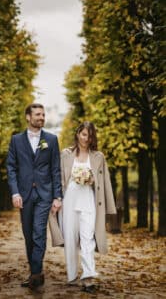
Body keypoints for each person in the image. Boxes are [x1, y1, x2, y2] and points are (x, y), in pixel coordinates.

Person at [6, 103, 62, 290]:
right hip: (24, 194)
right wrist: (15, 192)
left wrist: (57, 197)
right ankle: (34, 273)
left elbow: (55, 170)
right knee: (28, 235)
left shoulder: (52, 140)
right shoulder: (16, 140)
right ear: (28, 117)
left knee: (39, 232)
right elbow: (11, 168)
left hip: (44, 195)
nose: (42, 117)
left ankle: (36, 274)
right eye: (38, 114)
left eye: (44, 114)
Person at [60, 121, 116, 293]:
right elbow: (60, 178)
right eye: (84, 134)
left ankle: (88, 277)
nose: (86, 138)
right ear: (78, 134)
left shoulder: (98, 156)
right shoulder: (66, 154)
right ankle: (71, 274)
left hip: (89, 201)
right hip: (69, 200)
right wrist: (55, 200)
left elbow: (104, 181)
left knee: (88, 238)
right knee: (70, 238)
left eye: (90, 136)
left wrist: (93, 181)